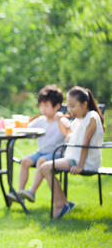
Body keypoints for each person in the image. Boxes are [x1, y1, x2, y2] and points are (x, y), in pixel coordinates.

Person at [38, 86, 104, 218]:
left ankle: (60, 204)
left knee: (45, 167)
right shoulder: (79, 119)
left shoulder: (92, 117)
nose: (70, 110)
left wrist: (80, 165)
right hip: (74, 158)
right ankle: (64, 203)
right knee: (44, 167)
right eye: (68, 106)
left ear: (84, 104)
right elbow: (67, 134)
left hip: (85, 162)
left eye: (73, 106)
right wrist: (60, 121)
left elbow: (85, 143)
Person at [6, 85, 71, 204]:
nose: (43, 109)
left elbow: (69, 134)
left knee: (41, 161)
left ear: (57, 106)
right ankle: (20, 193)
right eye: (41, 105)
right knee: (25, 161)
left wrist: (60, 122)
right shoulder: (40, 120)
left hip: (57, 154)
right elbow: (25, 128)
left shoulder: (62, 121)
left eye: (46, 105)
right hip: (42, 152)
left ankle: (32, 191)